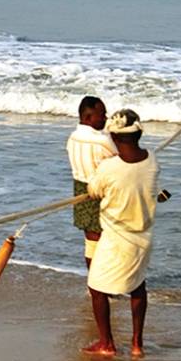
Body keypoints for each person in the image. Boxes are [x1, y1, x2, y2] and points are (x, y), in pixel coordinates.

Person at [82, 110, 162, 357]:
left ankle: (107, 343)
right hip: (143, 236)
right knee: (137, 286)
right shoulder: (152, 160)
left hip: (117, 236)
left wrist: (105, 170)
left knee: (96, 288)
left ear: (115, 137)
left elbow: (93, 190)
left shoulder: (109, 167)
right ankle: (137, 344)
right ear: (138, 133)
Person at [66, 96, 116, 267]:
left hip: (80, 188)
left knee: (91, 238)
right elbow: (123, 163)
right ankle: (103, 283)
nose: (105, 118)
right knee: (107, 239)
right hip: (101, 191)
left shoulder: (73, 137)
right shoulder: (102, 141)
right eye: (101, 115)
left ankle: (93, 283)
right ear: (88, 118)